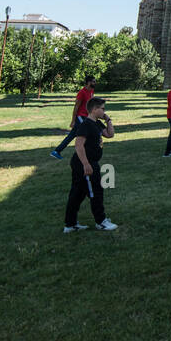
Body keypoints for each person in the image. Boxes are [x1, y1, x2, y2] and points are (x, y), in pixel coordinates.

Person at [63, 96, 119, 232]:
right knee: (96, 191)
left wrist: (108, 120)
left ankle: (70, 225)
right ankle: (101, 221)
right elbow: (78, 145)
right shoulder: (85, 125)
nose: (104, 111)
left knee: (78, 193)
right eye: (102, 109)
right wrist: (86, 164)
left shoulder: (97, 124)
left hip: (87, 162)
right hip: (84, 163)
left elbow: (110, 134)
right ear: (94, 109)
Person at [50, 75, 108, 160]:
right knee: (89, 132)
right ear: (88, 82)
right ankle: (86, 152)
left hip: (87, 116)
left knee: (72, 135)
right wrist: (73, 120)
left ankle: (57, 151)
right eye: (93, 81)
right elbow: (76, 107)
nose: (95, 83)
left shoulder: (91, 91)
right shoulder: (82, 92)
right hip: (80, 117)